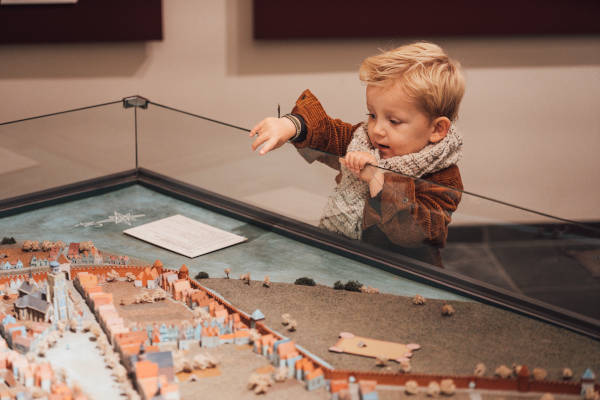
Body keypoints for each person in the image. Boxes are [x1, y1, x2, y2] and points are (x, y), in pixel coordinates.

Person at [249, 42, 465, 267]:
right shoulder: (362, 141)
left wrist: (379, 179)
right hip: (348, 259)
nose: (377, 129)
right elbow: (328, 133)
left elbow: (415, 233)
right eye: (372, 115)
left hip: (406, 277)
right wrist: (290, 126)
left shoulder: (445, 177)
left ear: (437, 129)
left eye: (394, 121)